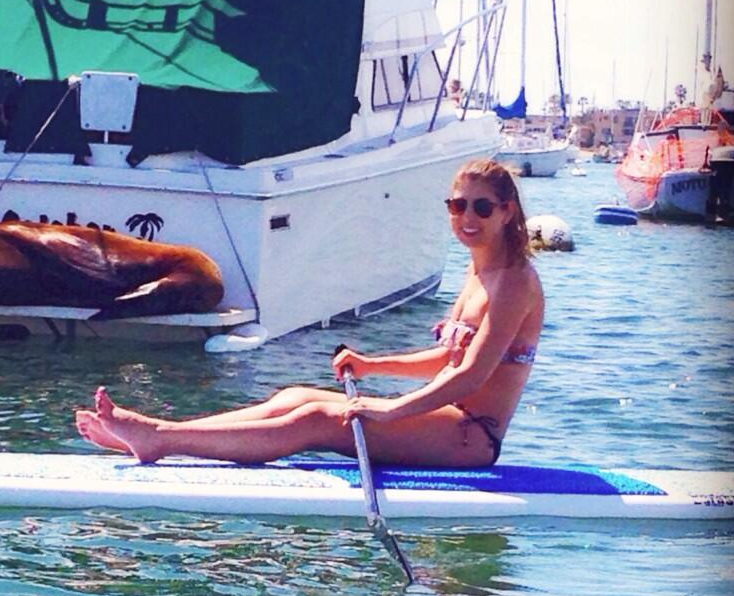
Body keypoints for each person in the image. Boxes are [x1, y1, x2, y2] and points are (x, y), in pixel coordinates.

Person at [75, 158, 543, 467]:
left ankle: (160, 438)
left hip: (471, 437)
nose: (467, 217)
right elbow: (449, 359)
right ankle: (164, 434)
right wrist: (371, 365)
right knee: (294, 397)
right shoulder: (478, 271)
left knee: (318, 419)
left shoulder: (514, 282)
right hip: (445, 420)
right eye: (458, 205)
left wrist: (389, 409)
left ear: (506, 212)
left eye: (481, 208)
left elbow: (472, 377)